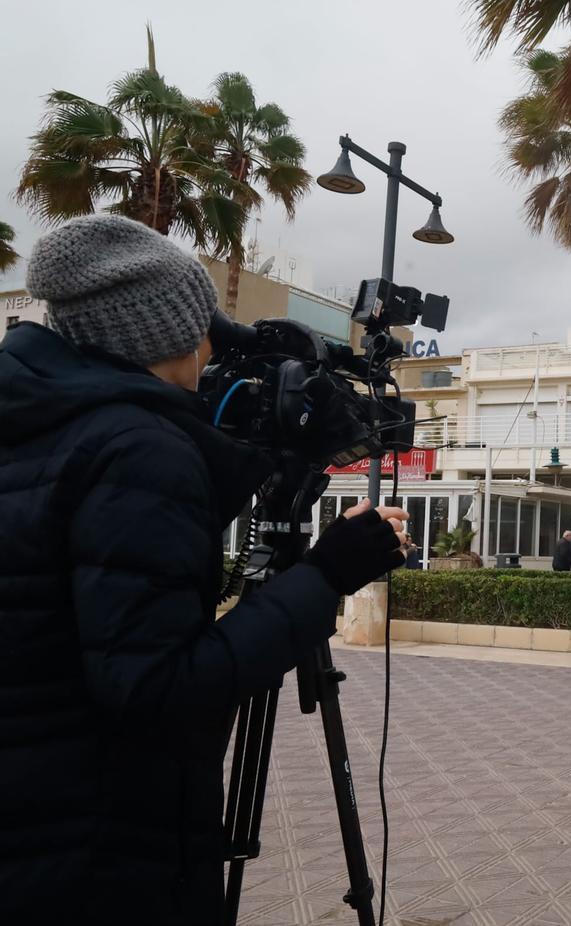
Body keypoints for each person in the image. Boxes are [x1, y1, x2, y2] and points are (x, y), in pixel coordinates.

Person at [0, 215, 410, 926]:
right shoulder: (138, 450)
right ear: (171, 336)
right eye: (205, 328)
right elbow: (160, 689)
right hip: (104, 855)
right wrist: (327, 573)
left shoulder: (37, 424)